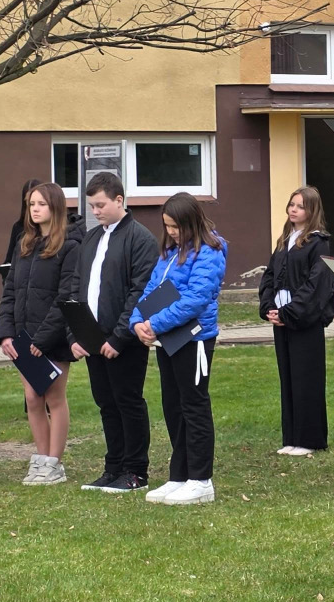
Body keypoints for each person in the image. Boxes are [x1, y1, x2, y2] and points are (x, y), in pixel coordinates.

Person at [131, 193, 227, 505]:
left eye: (176, 226)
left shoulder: (210, 251)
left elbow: (196, 299)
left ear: (191, 222)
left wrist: (154, 324)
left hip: (194, 339)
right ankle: (180, 475)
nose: (171, 232)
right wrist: (137, 321)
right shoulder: (170, 251)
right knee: (173, 406)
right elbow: (152, 289)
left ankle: (201, 480)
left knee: (194, 407)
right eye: (167, 226)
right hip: (168, 338)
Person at [69, 172, 159, 493]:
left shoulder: (140, 239)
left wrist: (119, 336)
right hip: (93, 339)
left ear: (119, 200)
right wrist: (76, 335)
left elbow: (140, 292)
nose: (95, 212)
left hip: (125, 340)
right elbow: (78, 286)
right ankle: (114, 467)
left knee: (127, 402)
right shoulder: (91, 238)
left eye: (101, 205)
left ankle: (136, 471)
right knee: (106, 403)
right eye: (91, 206)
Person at [0, 182, 83, 485]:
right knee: (33, 398)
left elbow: (66, 296)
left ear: (55, 207)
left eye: (41, 204)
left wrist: (43, 339)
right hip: (23, 338)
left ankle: (55, 463)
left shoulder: (70, 246)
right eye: (31, 204)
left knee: (53, 397)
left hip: (53, 338)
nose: (34, 209)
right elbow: (10, 290)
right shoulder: (24, 243)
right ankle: (41, 459)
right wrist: (6, 334)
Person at [258, 186, 334, 457]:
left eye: (300, 206)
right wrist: (270, 307)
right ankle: (292, 436)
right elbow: (270, 275)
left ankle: (310, 439)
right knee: (288, 377)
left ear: (311, 210)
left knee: (307, 378)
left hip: (304, 321)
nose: (293, 210)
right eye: (292, 204)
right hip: (281, 318)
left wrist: (290, 313)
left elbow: (316, 284)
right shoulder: (285, 240)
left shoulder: (318, 242)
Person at [1, 178, 41, 282]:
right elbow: (10, 260)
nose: (34, 208)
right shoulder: (19, 227)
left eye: (40, 203)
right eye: (30, 202)